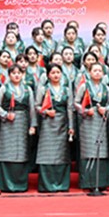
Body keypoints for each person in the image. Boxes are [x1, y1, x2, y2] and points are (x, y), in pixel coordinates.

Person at [0, 65, 37, 192]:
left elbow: (32, 108)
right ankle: (6, 184)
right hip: (8, 123)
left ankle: (20, 184)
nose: (17, 75)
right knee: (7, 151)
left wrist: (33, 125)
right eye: (14, 73)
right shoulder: (4, 88)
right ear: (9, 75)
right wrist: (5, 115)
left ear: (22, 75)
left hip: (23, 121)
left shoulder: (28, 89)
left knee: (22, 152)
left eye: (19, 73)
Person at [35, 64, 74, 193]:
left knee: (62, 153)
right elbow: (37, 106)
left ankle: (61, 184)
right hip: (47, 123)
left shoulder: (66, 90)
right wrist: (46, 112)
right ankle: (47, 184)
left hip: (62, 123)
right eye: (53, 73)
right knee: (47, 153)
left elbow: (70, 108)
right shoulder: (43, 89)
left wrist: (71, 126)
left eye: (58, 72)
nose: (56, 75)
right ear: (48, 75)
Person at [75, 63, 109, 190]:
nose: (97, 73)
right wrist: (86, 111)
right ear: (89, 72)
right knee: (89, 150)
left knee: (102, 150)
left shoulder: (106, 88)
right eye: (94, 70)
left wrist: (105, 109)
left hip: (101, 121)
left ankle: (102, 182)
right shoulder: (84, 86)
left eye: (99, 71)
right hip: (88, 122)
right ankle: (89, 183)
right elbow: (76, 103)